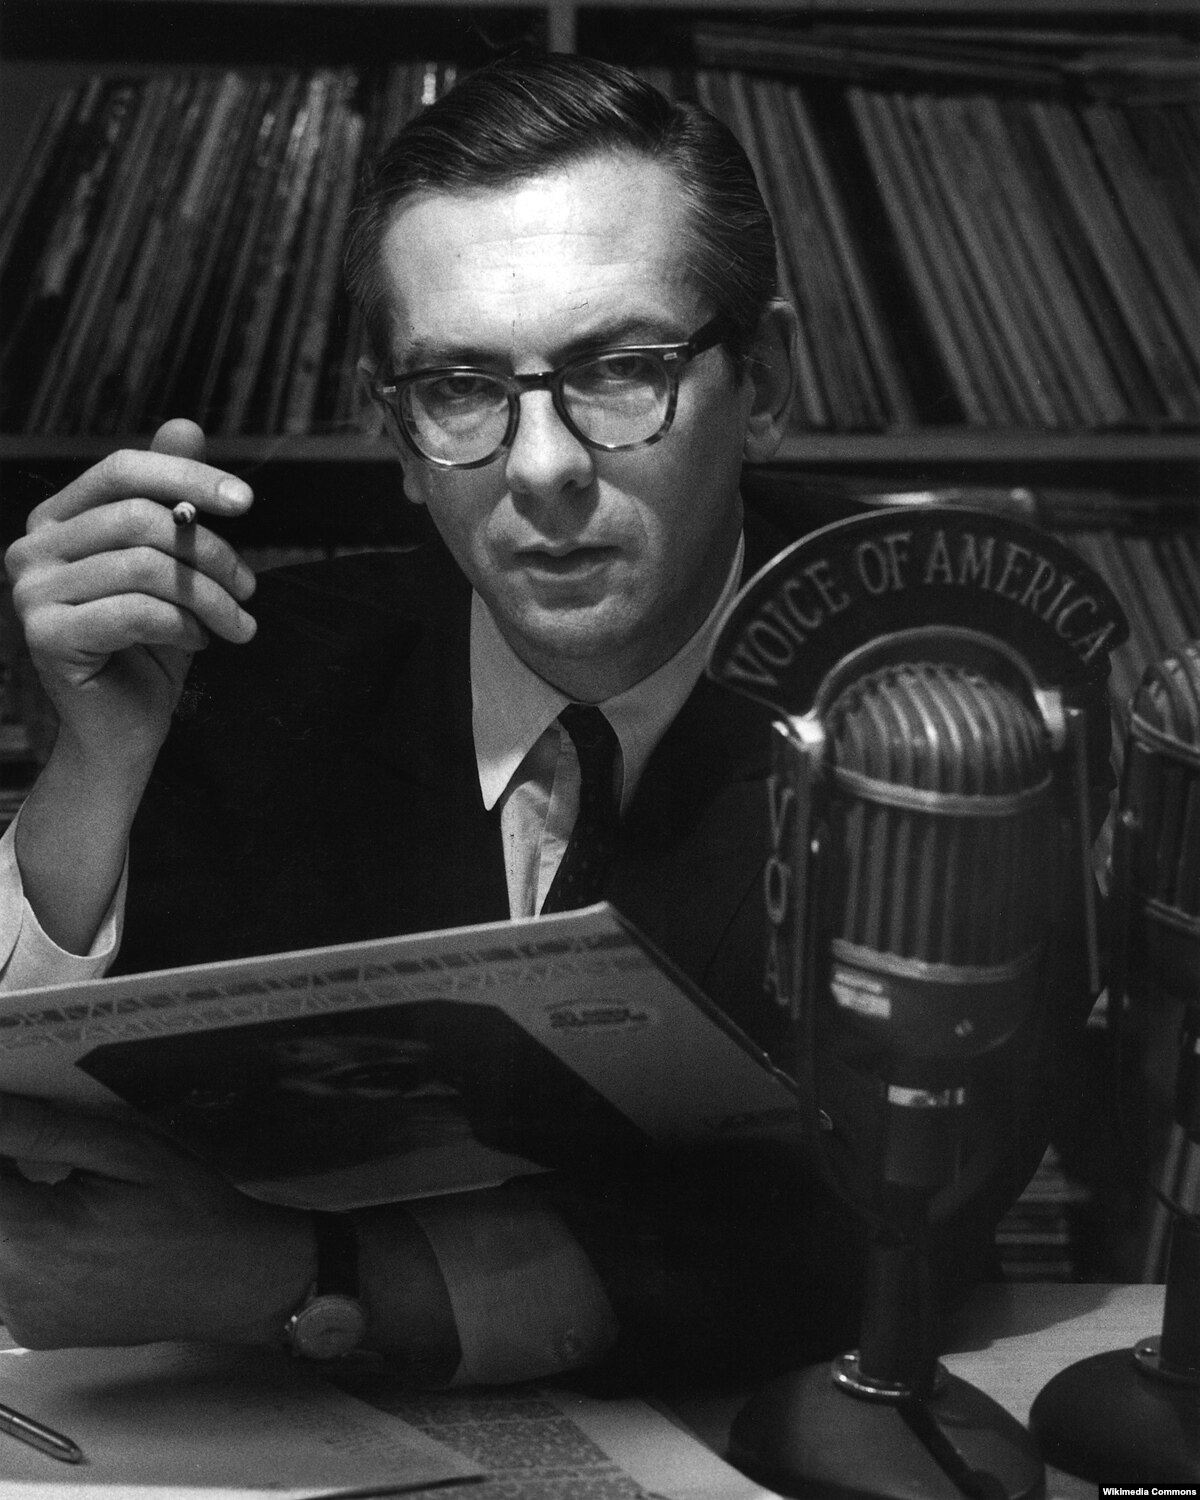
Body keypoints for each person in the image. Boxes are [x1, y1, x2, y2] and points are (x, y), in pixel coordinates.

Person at [0, 55, 1080, 1386]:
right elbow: (53, 1136)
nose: (544, 467)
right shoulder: (256, 668)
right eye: (459, 387)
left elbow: (893, 1211)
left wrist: (305, 1277)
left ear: (765, 380)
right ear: (398, 437)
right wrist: (97, 764)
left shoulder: (943, 699)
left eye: (620, 368)